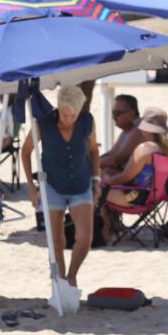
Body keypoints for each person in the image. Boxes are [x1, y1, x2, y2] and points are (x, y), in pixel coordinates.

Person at [20, 84, 100, 288]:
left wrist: (96, 179)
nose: (69, 119)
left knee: (85, 237)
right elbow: (26, 152)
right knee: (56, 240)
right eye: (65, 114)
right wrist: (31, 186)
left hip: (81, 184)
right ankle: (59, 279)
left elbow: (93, 151)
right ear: (59, 108)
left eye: (74, 115)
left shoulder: (87, 122)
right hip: (52, 186)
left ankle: (72, 275)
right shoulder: (43, 123)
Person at [98, 108, 168, 245]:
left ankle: (105, 232)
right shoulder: (166, 150)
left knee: (94, 190)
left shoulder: (144, 149)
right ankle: (112, 227)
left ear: (146, 129)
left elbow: (125, 177)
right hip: (154, 198)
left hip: (136, 198)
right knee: (105, 182)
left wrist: (108, 181)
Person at [98, 94, 144, 173]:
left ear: (131, 114)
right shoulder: (127, 129)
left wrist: (89, 164)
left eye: (116, 113)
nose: (114, 117)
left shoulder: (138, 129)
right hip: (132, 177)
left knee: (106, 172)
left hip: (142, 181)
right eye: (113, 113)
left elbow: (116, 160)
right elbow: (111, 154)